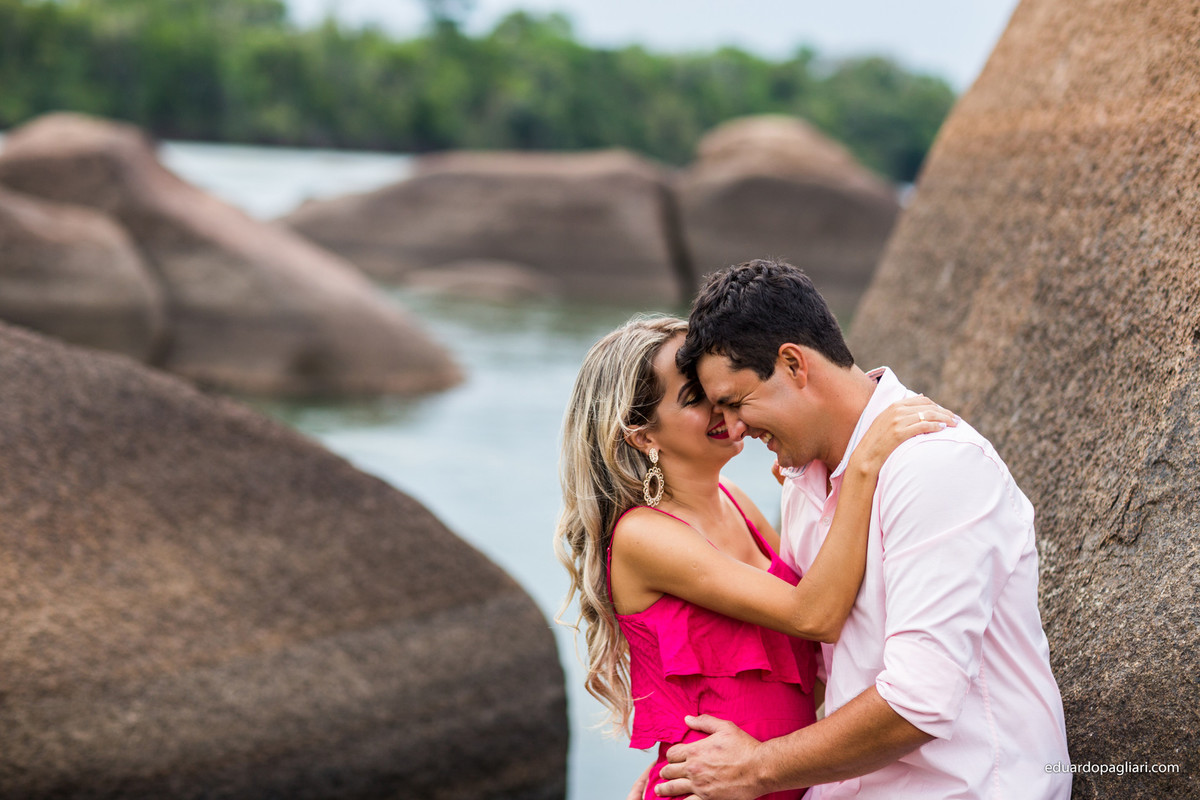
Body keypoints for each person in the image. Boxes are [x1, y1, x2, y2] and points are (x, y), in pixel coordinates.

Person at [652, 260, 1071, 799]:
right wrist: (681, 760)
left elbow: (918, 703)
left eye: (735, 402)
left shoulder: (933, 468)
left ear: (793, 365)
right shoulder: (803, 478)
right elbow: (820, 661)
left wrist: (754, 767)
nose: (732, 429)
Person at [554, 315, 955, 800]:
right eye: (694, 399)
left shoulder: (737, 501)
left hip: (778, 782)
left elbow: (811, 664)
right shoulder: (644, 535)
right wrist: (863, 464)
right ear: (643, 436)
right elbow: (815, 615)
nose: (721, 409)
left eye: (717, 390)